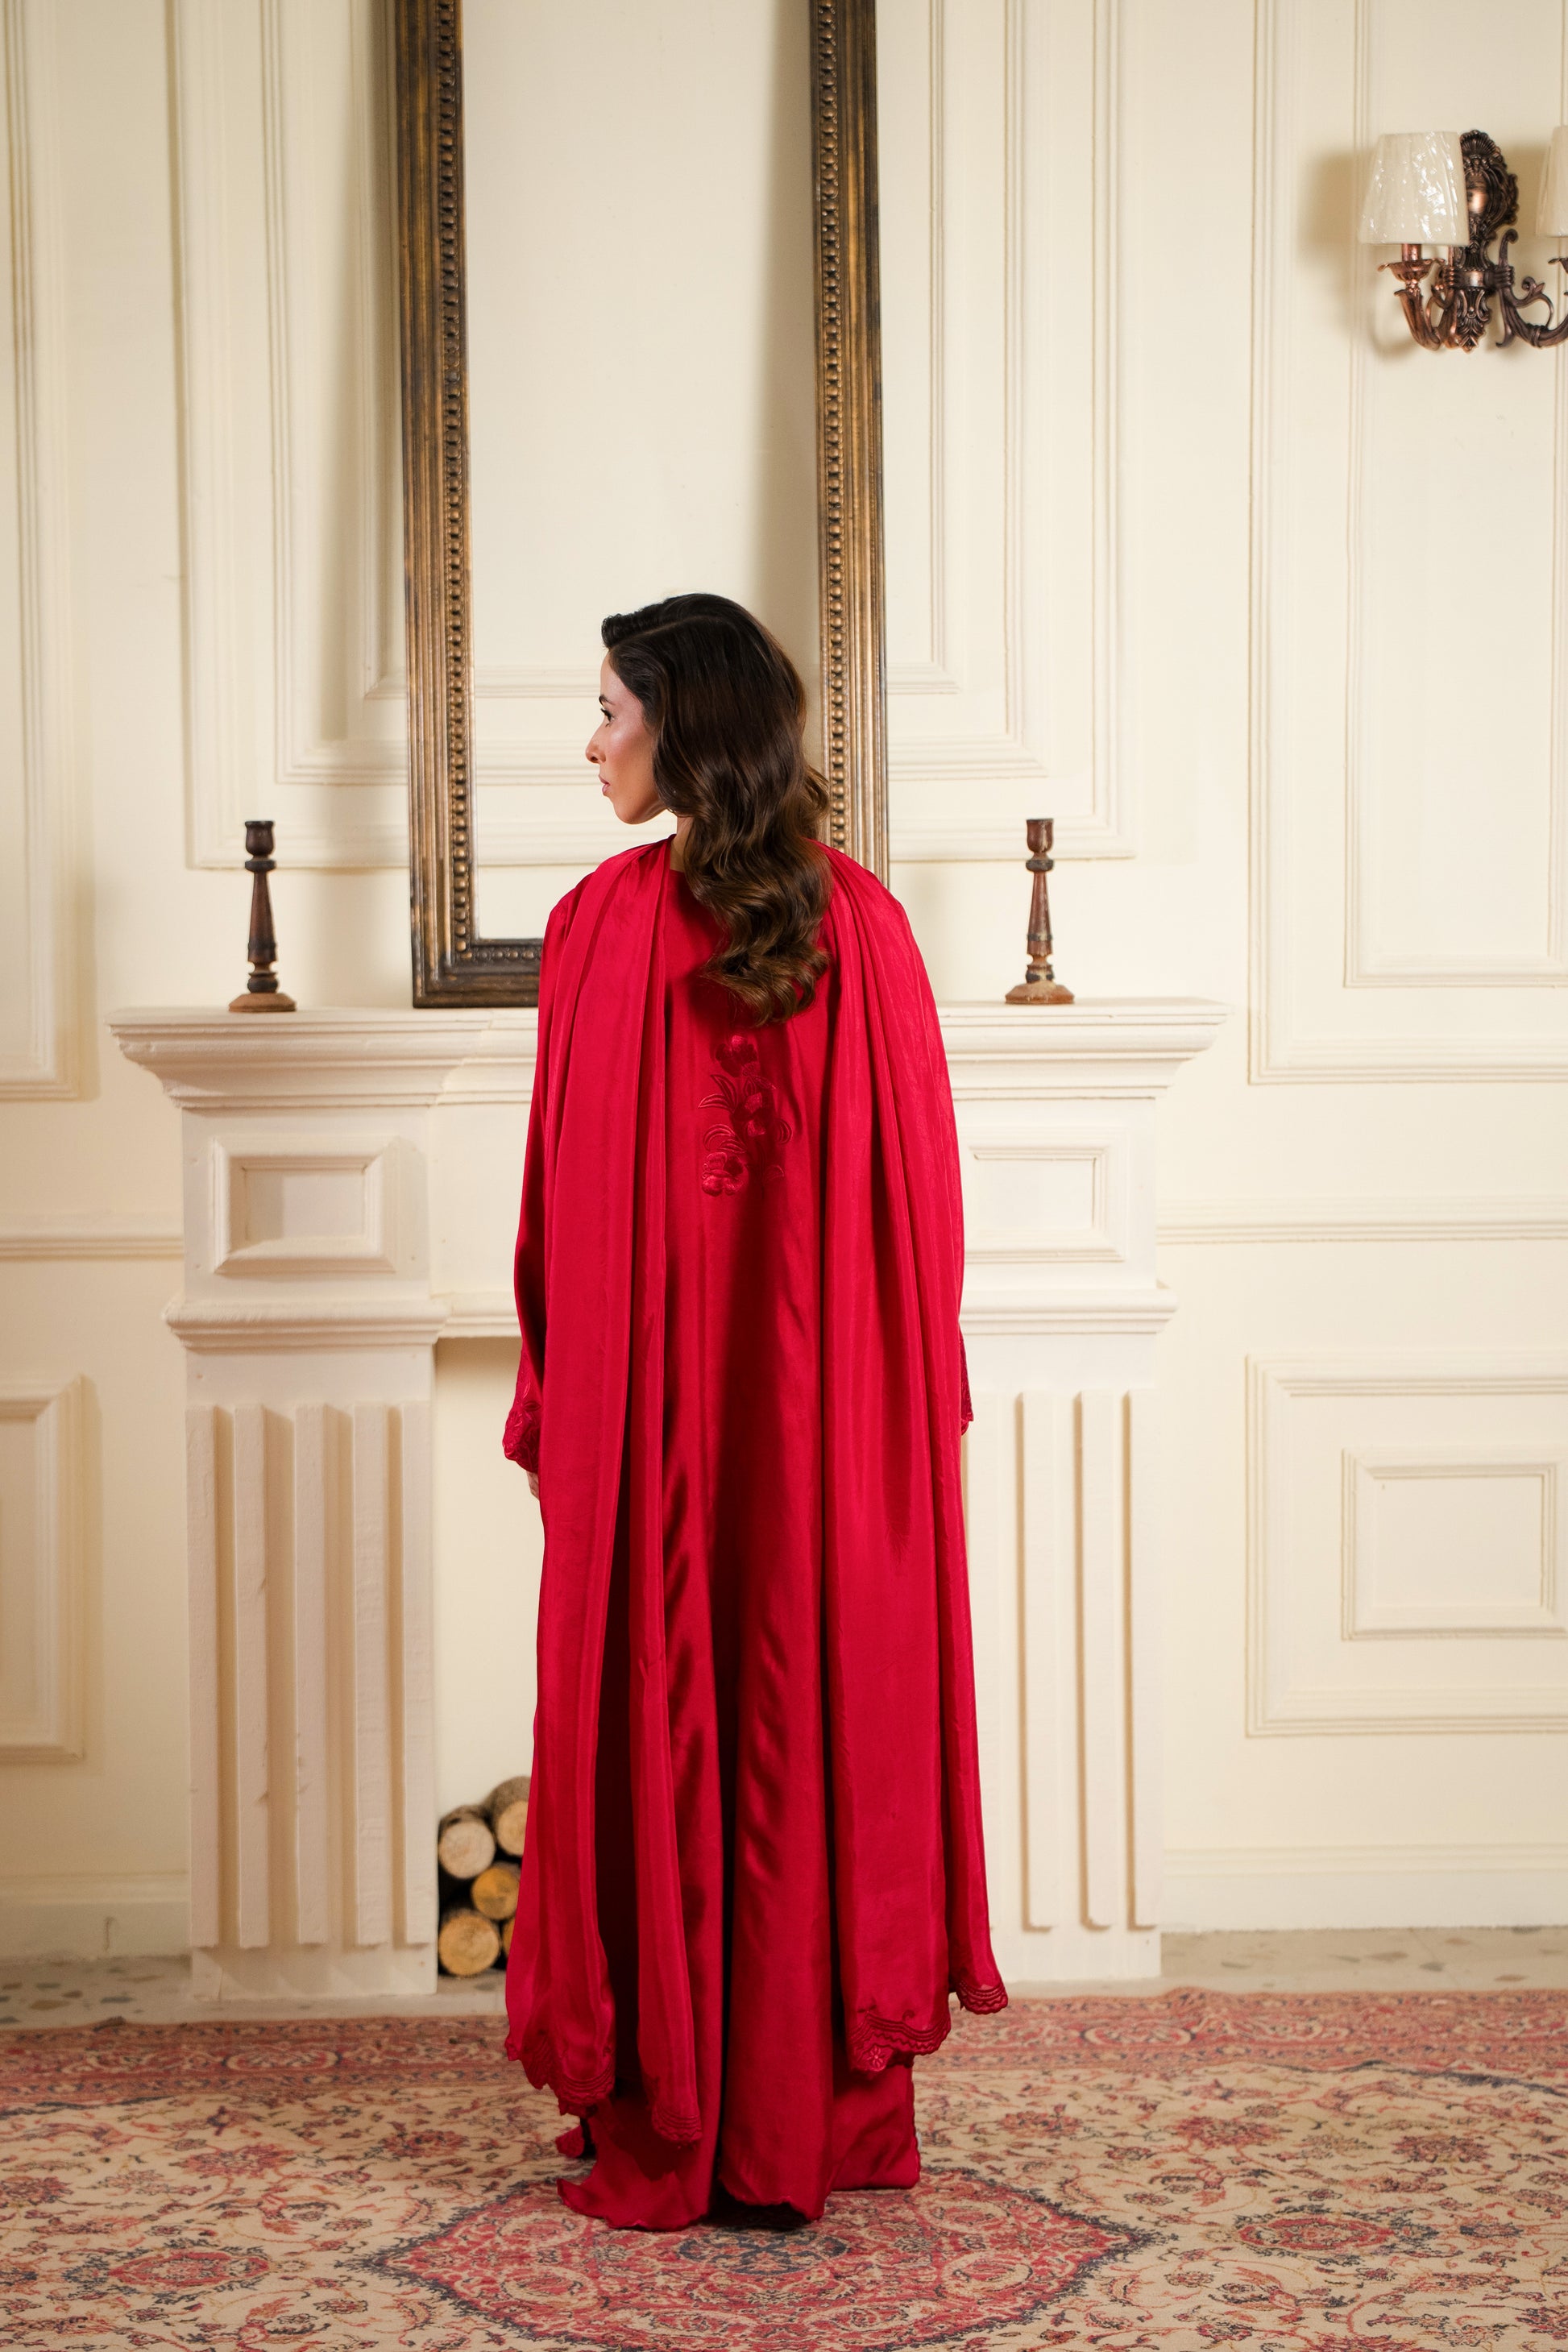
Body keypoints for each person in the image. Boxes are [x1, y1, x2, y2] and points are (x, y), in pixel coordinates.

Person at [501, 591, 1005, 2231]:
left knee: (668, 1698)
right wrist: (901, 1408)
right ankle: (808, 2116)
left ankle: (690, 2099)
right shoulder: (861, 923)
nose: (590, 744)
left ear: (685, 727)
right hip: (811, 1426)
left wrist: (559, 1392)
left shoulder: (604, 927)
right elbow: (925, 1217)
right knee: (811, 1699)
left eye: (609, 712)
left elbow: (550, 1214)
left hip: (667, 1423)